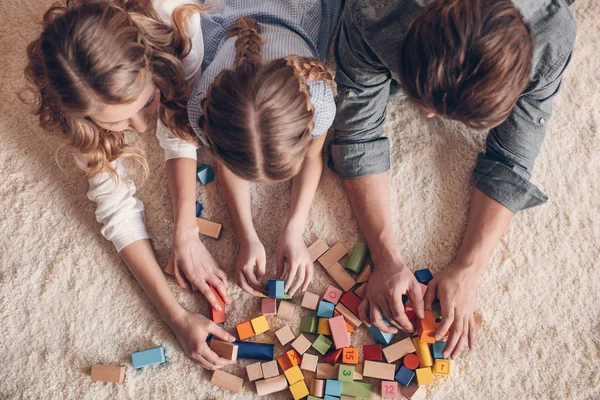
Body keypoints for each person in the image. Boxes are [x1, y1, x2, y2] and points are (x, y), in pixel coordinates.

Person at [332, 0, 576, 358]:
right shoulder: (375, 11)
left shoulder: (551, 34)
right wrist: (384, 256)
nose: (429, 116)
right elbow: (356, 134)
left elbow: (512, 159)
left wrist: (469, 267)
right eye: (424, 102)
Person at [23, 0, 235, 370]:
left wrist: (185, 228)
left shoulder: (180, 25)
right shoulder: (76, 102)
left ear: (152, 62)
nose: (140, 129)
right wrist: (176, 317)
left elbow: (177, 129)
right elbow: (116, 210)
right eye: (117, 122)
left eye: (147, 101)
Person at [186, 0, 343, 297]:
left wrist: (294, 228)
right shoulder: (202, 108)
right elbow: (229, 164)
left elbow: (312, 156)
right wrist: (246, 235)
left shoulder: (320, 100)